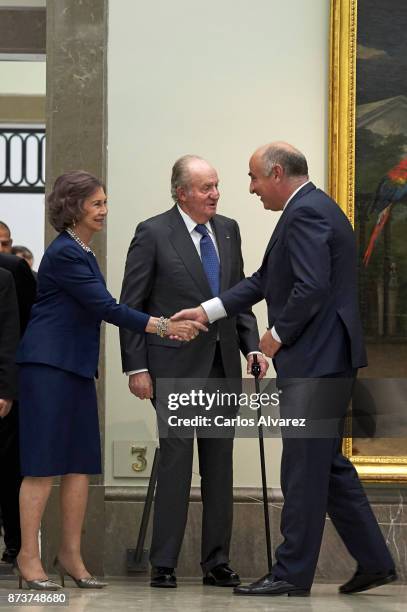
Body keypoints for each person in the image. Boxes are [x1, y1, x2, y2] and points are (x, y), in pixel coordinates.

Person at [173, 142, 396, 596]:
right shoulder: (308, 209)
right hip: (326, 359)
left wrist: (271, 339)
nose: (251, 189)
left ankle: (290, 575)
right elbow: (262, 280)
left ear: (277, 173)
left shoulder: (307, 213)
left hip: (317, 361)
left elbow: (310, 289)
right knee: (326, 466)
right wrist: (207, 310)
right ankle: (375, 561)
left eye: (254, 177)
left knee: (301, 468)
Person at [15, 170, 206, 591]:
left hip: (76, 370)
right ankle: (28, 559)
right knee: (42, 468)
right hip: (47, 369)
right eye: (97, 203)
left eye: (104, 202)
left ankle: (70, 555)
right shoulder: (66, 252)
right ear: (73, 207)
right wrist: (163, 327)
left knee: (81, 466)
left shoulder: (83, 251)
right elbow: (108, 308)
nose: (104, 210)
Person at [120, 155, 267, 588]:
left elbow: (238, 296)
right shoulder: (153, 232)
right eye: (206, 188)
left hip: (222, 365)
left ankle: (216, 562)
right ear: (181, 192)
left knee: (220, 466)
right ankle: (163, 562)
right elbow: (132, 305)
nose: (215, 194)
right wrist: (136, 366)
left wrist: (252, 347)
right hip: (173, 367)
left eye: (217, 186)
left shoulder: (229, 229)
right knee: (177, 463)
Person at [0, 246, 36, 565]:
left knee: (9, 468)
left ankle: (15, 544)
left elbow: (14, 334)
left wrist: (8, 388)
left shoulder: (10, 272)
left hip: (7, 386)